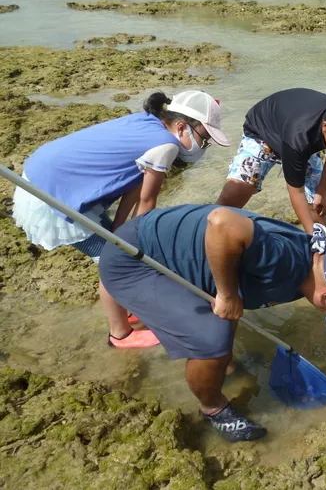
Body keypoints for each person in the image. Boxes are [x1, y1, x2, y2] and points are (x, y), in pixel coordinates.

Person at [98, 204, 326, 442]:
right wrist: (226, 293)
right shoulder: (283, 261)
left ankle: (222, 367)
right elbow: (222, 222)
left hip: (170, 249)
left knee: (226, 328)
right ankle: (212, 407)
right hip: (135, 260)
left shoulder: (318, 259)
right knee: (212, 339)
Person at [12, 89, 230, 348]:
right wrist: (136, 248)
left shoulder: (150, 122)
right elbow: (148, 202)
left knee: (118, 248)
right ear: (181, 126)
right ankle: (121, 334)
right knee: (114, 262)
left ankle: (123, 305)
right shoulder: (166, 146)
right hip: (50, 196)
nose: (203, 147)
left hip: (48, 177)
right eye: (204, 139)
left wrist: (119, 230)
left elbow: (135, 184)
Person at [215, 88, 326, 234]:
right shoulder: (299, 139)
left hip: (295, 131)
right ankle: (208, 226)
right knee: (236, 191)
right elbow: (296, 192)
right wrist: (311, 235)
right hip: (262, 132)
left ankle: (319, 246)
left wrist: (323, 190)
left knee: (317, 205)